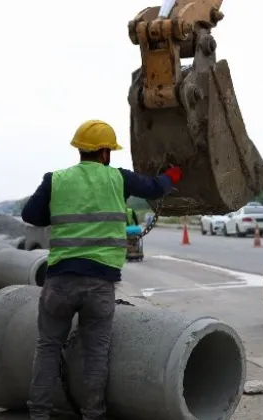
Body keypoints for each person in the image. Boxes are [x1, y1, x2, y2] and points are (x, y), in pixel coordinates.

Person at [21, 119, 183, 420]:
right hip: (99, 283)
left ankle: (39, 414)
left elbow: (31, 214)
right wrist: (172, 175)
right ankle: (93, 413)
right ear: (106, 153)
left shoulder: (55, 179)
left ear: (80, 150)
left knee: (48, 348)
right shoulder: (118, 179)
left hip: (60, 281)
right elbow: (155, 187)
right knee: (96, 353)